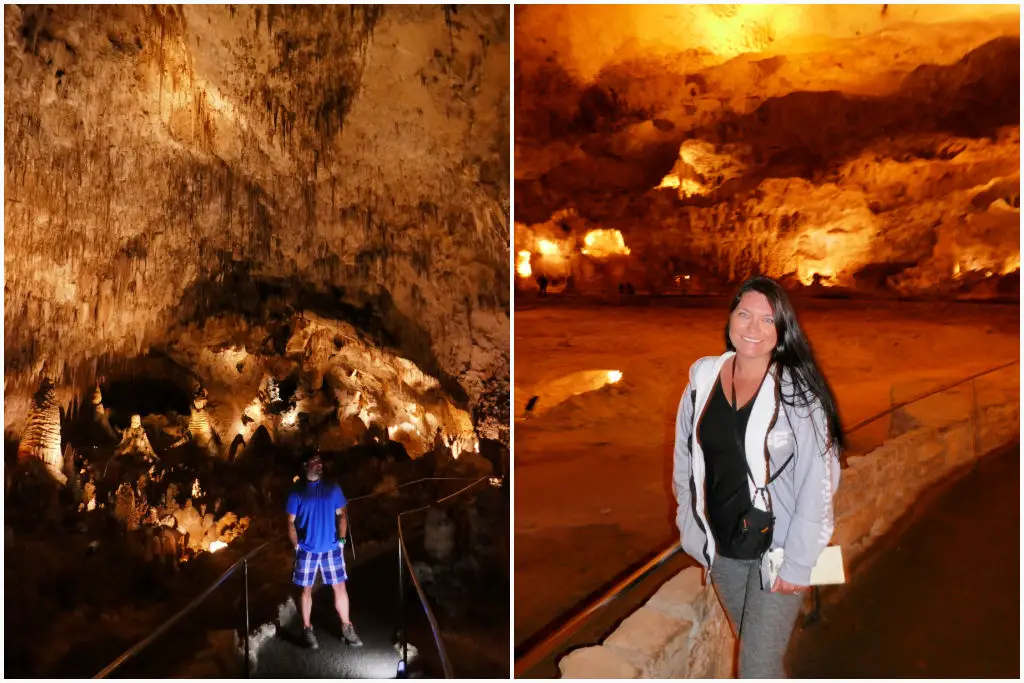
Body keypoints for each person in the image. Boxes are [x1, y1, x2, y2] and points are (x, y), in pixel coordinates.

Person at [673, 276, 844, 678]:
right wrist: (689, 524)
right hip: (723, 547)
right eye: (744, 314)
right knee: (757, 654)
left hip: (779, 549)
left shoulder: (797, 393)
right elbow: (685, 458)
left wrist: (800, 563)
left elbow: (818, 481)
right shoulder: (702, 379)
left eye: (767, 320)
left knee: (756, 667)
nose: (753, 328)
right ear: (730, 317)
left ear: (783, 329)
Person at [286, 452, 363, 650]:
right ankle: (307, 628)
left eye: (320, 462)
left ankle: (347, 626)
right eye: (315, 462)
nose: (319, 465)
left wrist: (342, 539)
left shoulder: (333, 488)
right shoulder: (297, 492)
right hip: (307, 550)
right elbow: (290, 522)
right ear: (305, 466)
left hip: (331, 548)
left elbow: (342, 515)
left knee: (340, 587)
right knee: (306, 590)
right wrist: (296, 545)